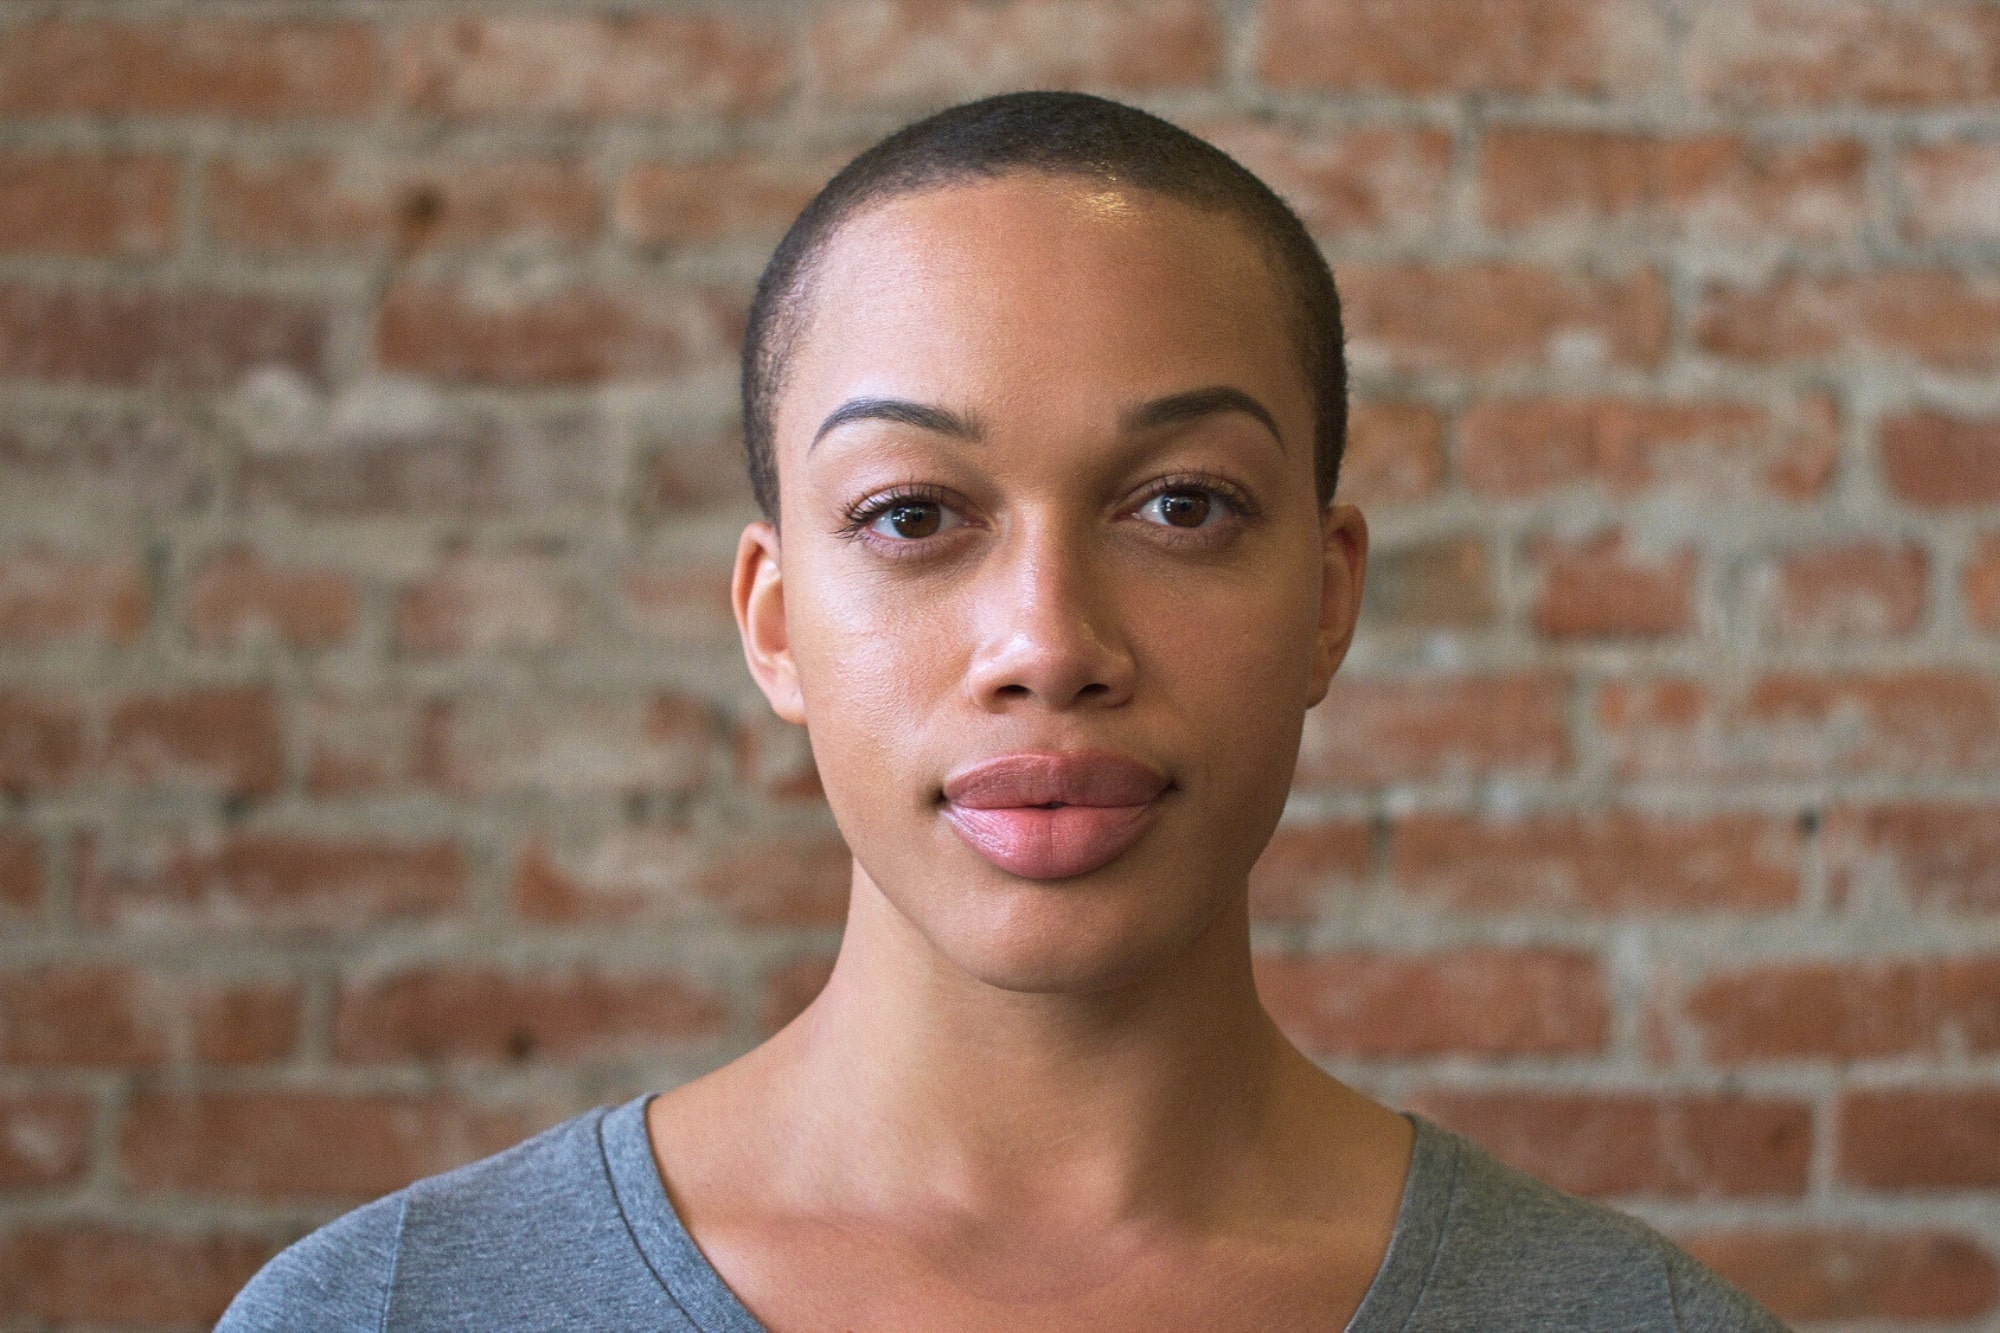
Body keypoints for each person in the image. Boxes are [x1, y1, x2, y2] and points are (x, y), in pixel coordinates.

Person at [219, 91, 1785, 1332]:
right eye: (913, 515)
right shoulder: (384, 1312)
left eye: (1181, 505)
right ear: (774, 622)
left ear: (1326, 595)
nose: (1048, 642)